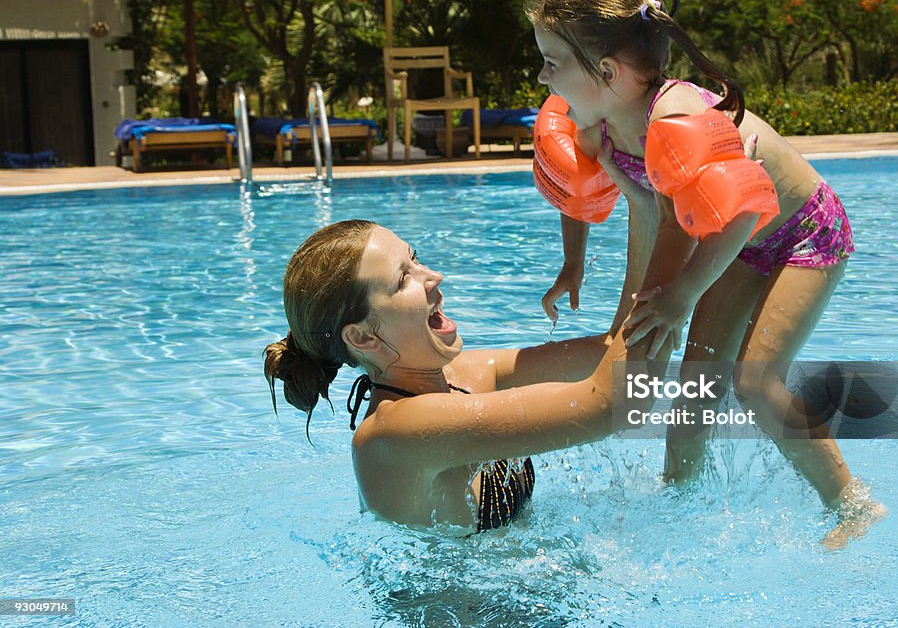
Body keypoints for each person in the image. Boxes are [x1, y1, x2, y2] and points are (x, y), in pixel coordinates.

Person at [526, 0, 884, 548]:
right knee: (695, 389)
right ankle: (678, 504)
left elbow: (746, 209)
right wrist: (575, 262)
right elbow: (590, 190)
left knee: (753, 379)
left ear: (608, 71)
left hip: (799, 233)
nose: (542, 77)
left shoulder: (678, 116)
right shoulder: (604, 123)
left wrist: (683, 295)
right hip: (728, 244)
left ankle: (853, 505)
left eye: (552, 62)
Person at [263, 220, 664, 533]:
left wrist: (643, 203)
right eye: (404, 279)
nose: (433, 275)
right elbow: (614, 404)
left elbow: (612, 348)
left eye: (415, 257)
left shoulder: (466, 374)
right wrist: (665, 223)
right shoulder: (393, 432)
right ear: (363, 336)